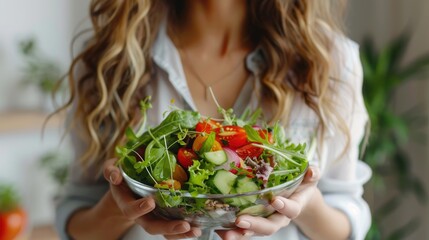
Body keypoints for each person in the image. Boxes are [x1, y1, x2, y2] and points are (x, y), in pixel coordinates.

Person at [55, 0, 372, 239]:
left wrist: (305, 204)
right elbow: (76, 217)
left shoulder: (330, 61)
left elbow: (347, 217)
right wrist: (123, 206)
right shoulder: (108, 61)